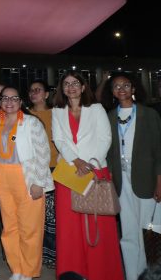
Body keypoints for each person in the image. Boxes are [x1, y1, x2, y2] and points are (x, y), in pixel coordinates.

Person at [51, 70, 123, 280]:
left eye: (75, 83)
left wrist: (89, 164)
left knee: (97, 223)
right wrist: (76, 161)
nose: (71, 87)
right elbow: (59, 140)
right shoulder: (57, 111)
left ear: (83, 87)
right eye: (66, 84)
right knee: (69, 228)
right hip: (68, 172)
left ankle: (102, 272)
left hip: (95, 170)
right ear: (62, 89)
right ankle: (72, 273)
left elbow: (105, 138)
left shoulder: (96, 108)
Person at [102, 72, 161, 280]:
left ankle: (150, 274)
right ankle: (132, 275)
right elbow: (106, 150)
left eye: (126, 85)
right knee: (128, 232)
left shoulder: (148, 114)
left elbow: (159, 151)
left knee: (148, 232)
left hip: (146, 180)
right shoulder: (109, 117)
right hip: (120, 181)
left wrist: (159, 181)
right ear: (112, 92)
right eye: (116, 86)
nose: (121, 89)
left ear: (133, 89)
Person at [0, 86, 54, 280]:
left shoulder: (31, 123)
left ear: (21, 102)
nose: (9, 102)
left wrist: (38, 182)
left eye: (14, 98)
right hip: (2, 176)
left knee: (30, 227)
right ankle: (16, 268)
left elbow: (44, 154)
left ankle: (28, 270)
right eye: (5, 98)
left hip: (26, 177)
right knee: (9, 226)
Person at [28, 78, 58, 269]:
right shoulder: (25, 115)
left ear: (47, 94)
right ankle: (40, 253)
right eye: (31, 90)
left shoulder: (57, 114)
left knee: (53, 216)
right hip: (34, 171)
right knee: (39, 215)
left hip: (56, 168)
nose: (33, 93)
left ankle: (53, 254)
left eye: (38, 90)